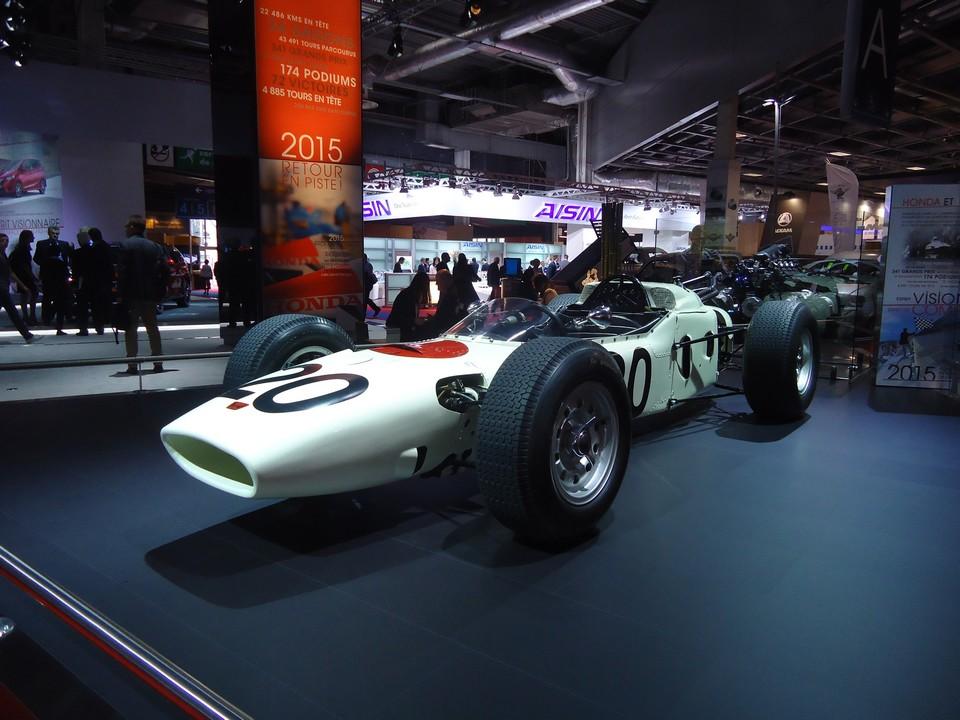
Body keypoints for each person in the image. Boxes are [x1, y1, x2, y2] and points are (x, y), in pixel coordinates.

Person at [117, 215, 164, 374]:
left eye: (127, 226)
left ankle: (132, 364)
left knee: (131, 330)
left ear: (133, 227)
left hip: (131, 295)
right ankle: (158, 362)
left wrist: (120, 294)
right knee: (152, 328)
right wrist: (159, 291)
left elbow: (122, 273)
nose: (125, 229)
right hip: (150, 294)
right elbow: (163, 271)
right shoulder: (154, 246)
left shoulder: (125, 245)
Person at [33, 224, 71, 334]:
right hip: (48, 275)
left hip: (61, 276)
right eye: (53, 233)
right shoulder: (42, 244)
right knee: (47, 298)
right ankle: (46, 319)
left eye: (57, 234)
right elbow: (36, 258)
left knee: (60, 299)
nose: (55, 235)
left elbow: (67, 259)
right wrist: (46, 262)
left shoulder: (64, 244)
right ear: (49, 233)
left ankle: (58, 322)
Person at [0, 233, 35, 343]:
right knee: (13, 312)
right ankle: (27, 335)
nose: (5, 243)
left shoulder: (3, 255)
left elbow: (10, 272)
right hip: (1, 289)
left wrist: (23, 286)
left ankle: (27, 335)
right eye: (2, 240)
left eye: (6, 240)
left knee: (13, 312)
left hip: (3, 288)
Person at [386, 272, 429, 341]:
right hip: (397, 327)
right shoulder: (409, 295)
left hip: (398, 326)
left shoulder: (410, 293)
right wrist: (414, 320)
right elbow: (400, 316)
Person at [86, 227, 113, 335]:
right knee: (105, 301)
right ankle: (106, 321)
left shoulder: (93, 248)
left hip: (96, 280)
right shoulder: (106, 246)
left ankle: (99, 324)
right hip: (105, 279)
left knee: (96, 304)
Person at [9, 230, 38, 325]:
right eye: (32, 236)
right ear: (27, 238)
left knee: (25, 296)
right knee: (31, 295)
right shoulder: (23, 250)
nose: (33, 238)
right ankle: (30, 317)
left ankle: (27, 317)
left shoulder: (19, 249)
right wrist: (32, 276)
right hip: (25, 277)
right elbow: (25, 266)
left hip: (22, 276)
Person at [71, 228, 94, 335]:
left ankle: (83, 328)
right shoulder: (94, 251)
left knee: (82, 306)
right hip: (94, 281)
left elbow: (75, 270)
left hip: (82, 282)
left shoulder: (77, 253)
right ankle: (99, 326)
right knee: (95, 304)